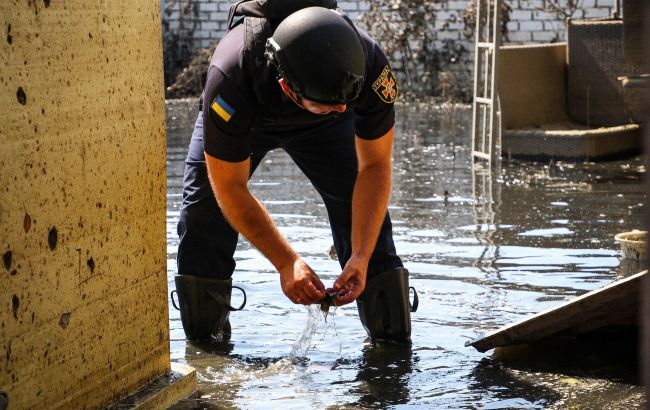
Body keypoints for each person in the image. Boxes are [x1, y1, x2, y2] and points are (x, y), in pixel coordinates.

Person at [172, 1, 417, 346]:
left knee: (369, 225)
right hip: (252, 113)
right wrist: (286, 263)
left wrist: (360, 254)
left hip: (325, 121)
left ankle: (391, 357)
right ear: (288, 90)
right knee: (203, 216)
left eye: (348, 101)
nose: (345, 109)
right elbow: (229, 186)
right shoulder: (231, 76)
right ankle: (207, 349)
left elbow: (375, 165)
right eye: (335, 104)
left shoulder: (369, 66)